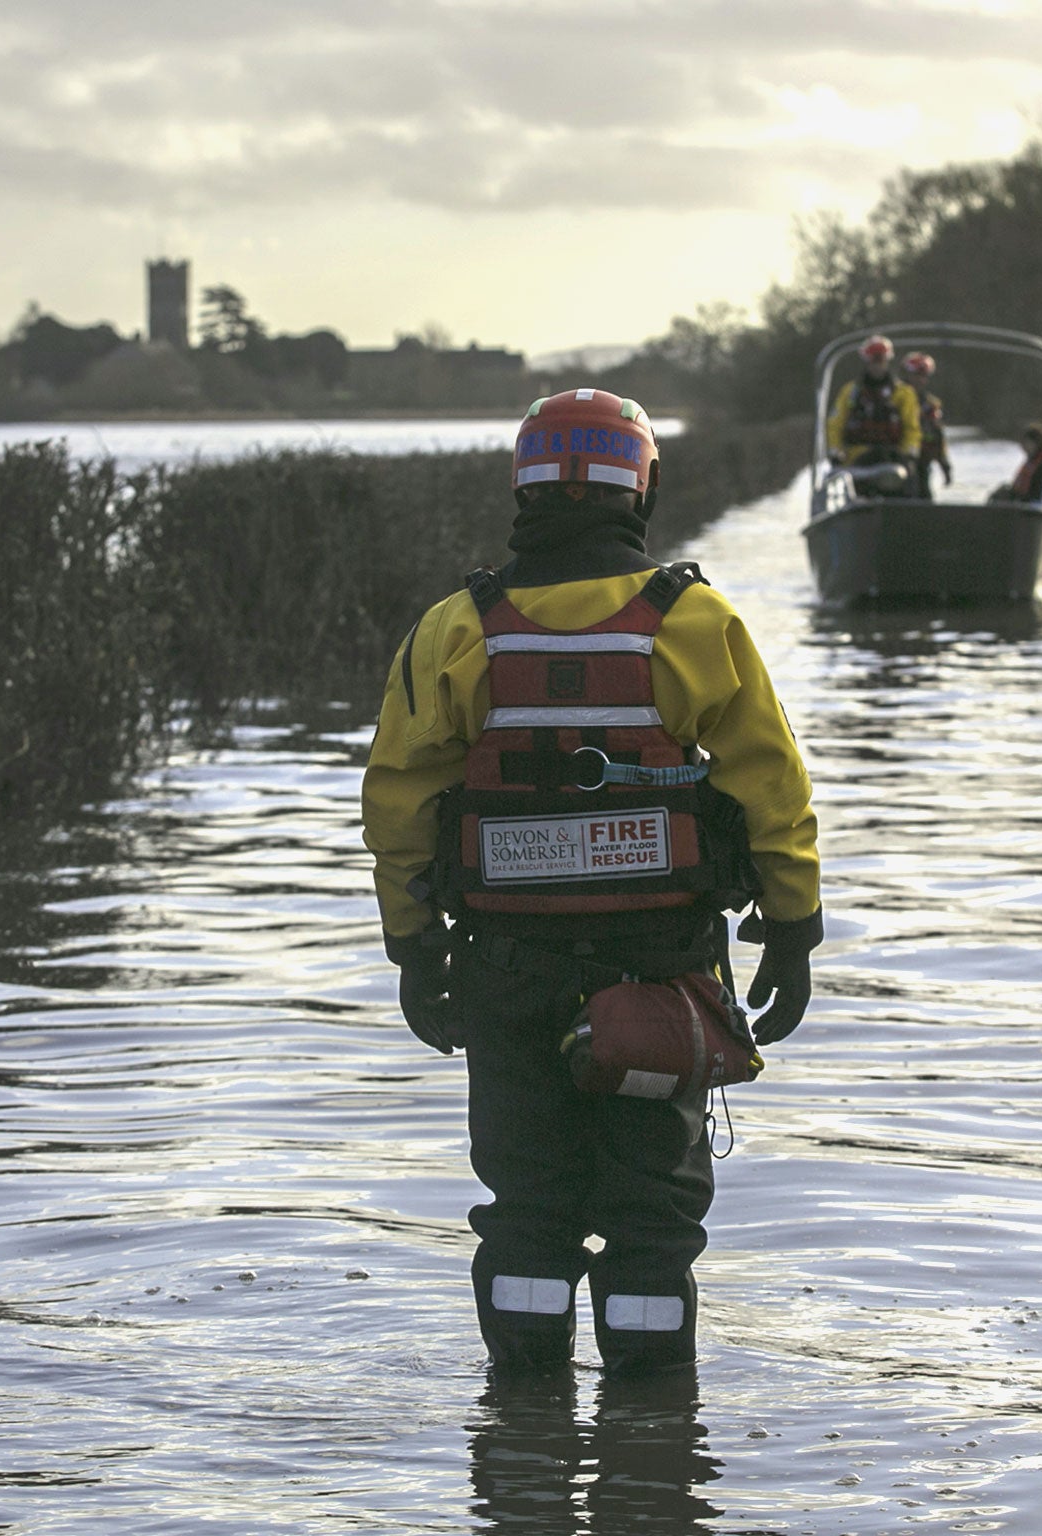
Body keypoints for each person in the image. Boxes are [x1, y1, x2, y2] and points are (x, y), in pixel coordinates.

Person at [361, 387, 824, 1379]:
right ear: (642, 485)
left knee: (526, 1208)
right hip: (658, 983)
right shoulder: (696, 623)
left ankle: (519, 1438)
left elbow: (398, 804)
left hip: (503, 973)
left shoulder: (453, 630)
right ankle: (653, 1452)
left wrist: (413, 950)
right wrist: (791, 929)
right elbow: (771, 787)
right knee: (650, 1216)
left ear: (522, 486)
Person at [824, 334, 922, 495]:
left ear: (887, 360)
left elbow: (912, 428)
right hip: (858, 460)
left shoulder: (903, 394)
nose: (877, 366)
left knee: (908, 486)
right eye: (873, 361)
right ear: (866, 361)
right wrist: (836, 453)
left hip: (893, 459)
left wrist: (908, 455)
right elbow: (835, 424)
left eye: (880, 360)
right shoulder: (850, 392)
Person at [899, 351, 952, 499]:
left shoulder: (931, 405)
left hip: (922, 464)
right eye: (916, 374)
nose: (919, 380)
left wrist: (945, 466)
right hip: (897, 461)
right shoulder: (895, 399)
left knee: (924, 497)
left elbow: (938, 437)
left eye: (923, 375)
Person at [991, 420, 1042, 507]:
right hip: (1024, 501)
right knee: (1001, 493)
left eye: (1027, 443)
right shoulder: (1032, 461)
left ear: (1036, 443)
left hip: (1038, 503)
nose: (1023, 447)